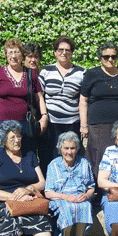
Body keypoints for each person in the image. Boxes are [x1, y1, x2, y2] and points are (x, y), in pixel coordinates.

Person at [80, 42, 118, 180]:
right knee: (100, 156)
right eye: (106, 57)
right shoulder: (91, 74)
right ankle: (99, 191)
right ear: (100, 58)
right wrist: (83, 125)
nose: (110, 60)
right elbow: (83, 100)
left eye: (113, 56)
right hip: (98, 125)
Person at [0, 38, 48, 151]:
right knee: (4, 158)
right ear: (6, 55)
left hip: (25, 125)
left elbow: (39, 97)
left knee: (26, 158)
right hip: (4, 125)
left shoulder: (30, 73)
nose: (13, 56)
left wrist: (44, 116)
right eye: (10, 52)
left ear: (22, 55)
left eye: (17, 52)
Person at [39, 36, 86, 174]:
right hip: (51, 123)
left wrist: (84, 124)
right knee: (49, 154)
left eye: (68, 50)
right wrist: (43, 116)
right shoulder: (46, 71)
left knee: (71, 154)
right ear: (55, 52)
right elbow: (39, 96)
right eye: (60, 49)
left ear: (72, 53)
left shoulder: (81, 72)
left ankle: (71, 182)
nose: (64, 53)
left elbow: (84, 99)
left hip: (72, 122)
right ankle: (50, 184)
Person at [45, 131, 95, 236]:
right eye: (66, 148)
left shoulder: (84, 163)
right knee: (67, 207)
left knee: (85, 206)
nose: (69, 152)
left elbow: (91, 187)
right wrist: (65, 197)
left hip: (79, 197)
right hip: (60, 198)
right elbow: (48, 192)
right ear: (60, 149)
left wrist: (86, 195)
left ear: (77, 149)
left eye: (72, 148)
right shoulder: (53, 165)